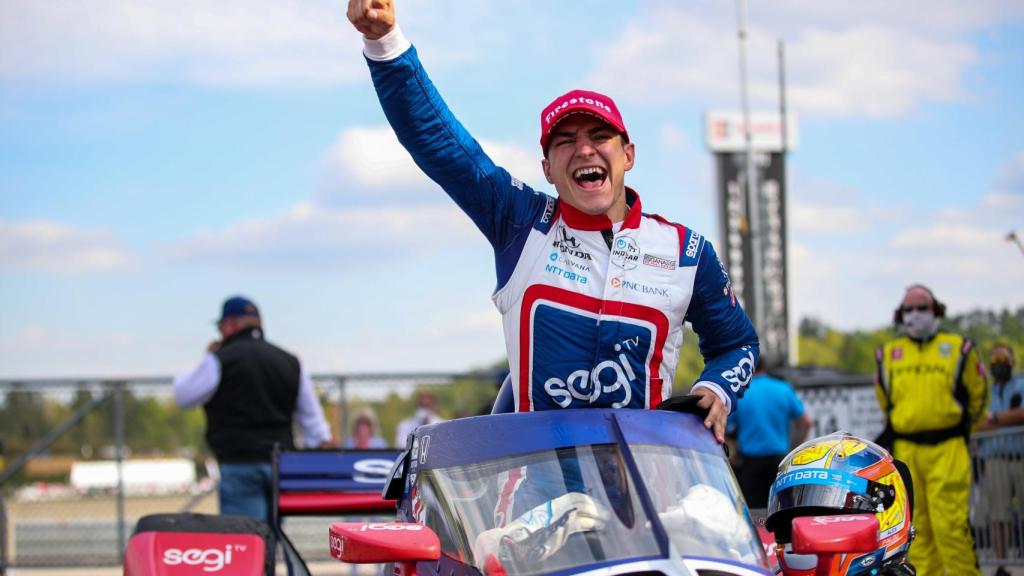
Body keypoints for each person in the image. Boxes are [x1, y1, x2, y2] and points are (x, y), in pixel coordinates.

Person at [346, 0, 759, 444]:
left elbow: (737, 345)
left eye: (600, 137)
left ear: (628, 155)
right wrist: (384, 40)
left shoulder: (685, 252)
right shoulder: (521, 223)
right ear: (547, 169)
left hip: (646, 488)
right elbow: (440, 144)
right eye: (566, 142)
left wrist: (716, 387)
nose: (584, 150)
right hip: (538, 491)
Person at [174, 295, 334, 525]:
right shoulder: (289, 361)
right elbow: (312, 420)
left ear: (230, 324)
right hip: (281, 464)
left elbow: (183, 395)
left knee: (245, 541)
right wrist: (323, 445)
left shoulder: (220, 360)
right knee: (272, 541)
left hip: (240, 462)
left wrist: (208, 357)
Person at [874, 284, 987, 576]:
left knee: (951, 527)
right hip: (907, 451)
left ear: (936, 310)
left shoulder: (959, 348)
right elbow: (886, 400)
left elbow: (979, 396)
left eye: (921, 307)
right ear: (900, 314)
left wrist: (960, 427)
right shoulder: (887, 355)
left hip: (948, 449)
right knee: (916, 530)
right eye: (909, 308)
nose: (915, 314)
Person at [727, 364, 811, 509]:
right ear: (765, 366)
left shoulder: (740, 393)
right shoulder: (783, 388)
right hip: (780, 462)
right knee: (781, 511)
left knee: (753, 514)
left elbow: (721, 426)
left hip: (750, 465)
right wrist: (795, 448)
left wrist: (732, 453)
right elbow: (806, 422)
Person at [975, 343, 1024, 569]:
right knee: (998, 515)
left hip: (1020, 458)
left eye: (1003, 361)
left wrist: (993, 419)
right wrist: (1008, 417)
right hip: (994, 461)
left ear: (1012, 362)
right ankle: (1002, 565)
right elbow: (976, 426)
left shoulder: (1022, 385)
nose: (999, 366)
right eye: (994, 362)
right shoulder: (983, 393)